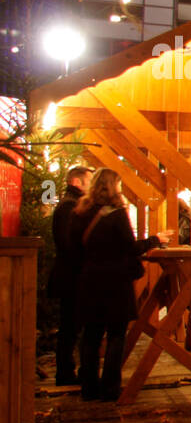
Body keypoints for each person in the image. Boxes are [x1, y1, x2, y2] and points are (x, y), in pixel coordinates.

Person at [70, 169, 167, 402]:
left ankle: (89, 388)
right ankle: (110, 388)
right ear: (114, 186)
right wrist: (156, 240)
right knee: (116, 334)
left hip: (89, 279)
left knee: (91, 334)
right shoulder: (117, 214)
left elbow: (75, 248)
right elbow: (130, 248)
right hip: (115, 282)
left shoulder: (80, 212)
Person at [50, 165, 92, 386]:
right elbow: (69, 245)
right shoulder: (69, 207)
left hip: (70, 275)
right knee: (70, 327)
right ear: (77, 182)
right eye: (89, 181)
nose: (91, 186)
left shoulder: (68, 204)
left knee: (71, 326)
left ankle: (66, 372)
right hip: (71, 277)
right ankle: (65, 373)